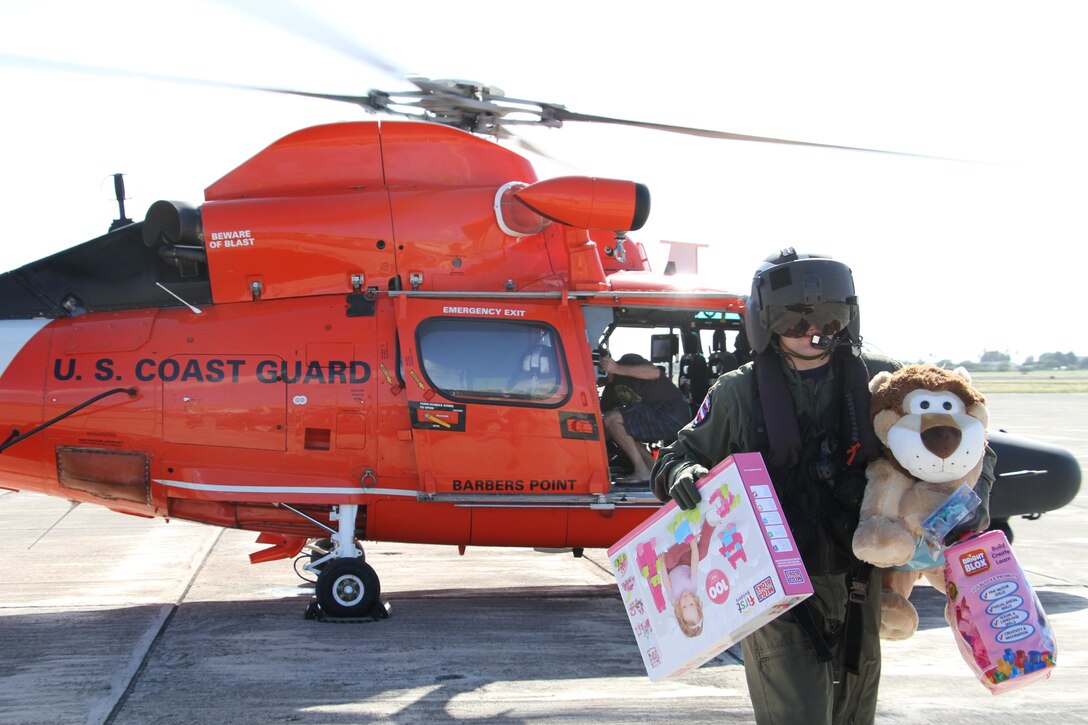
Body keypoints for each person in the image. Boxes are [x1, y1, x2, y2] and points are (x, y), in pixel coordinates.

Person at [651, 249, 994, 725]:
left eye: (830, 321)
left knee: (856, 715)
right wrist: (682, 476)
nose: (814, 334)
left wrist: (968, 507)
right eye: (795, 323)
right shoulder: (737, 393)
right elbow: (675, 455)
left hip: (859, 581)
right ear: (767, 324)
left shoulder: (881, 381)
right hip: (774, 587)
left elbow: (971, 441)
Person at [600, 352, 690, 485]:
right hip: (655, 416)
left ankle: (642, 471)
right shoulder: (609, 391)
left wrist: (616, 368)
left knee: (612, 419)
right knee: (619, 430)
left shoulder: (627, 361)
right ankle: (655, 470)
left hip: (670, 413)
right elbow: (605, 424)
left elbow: (655, 372)